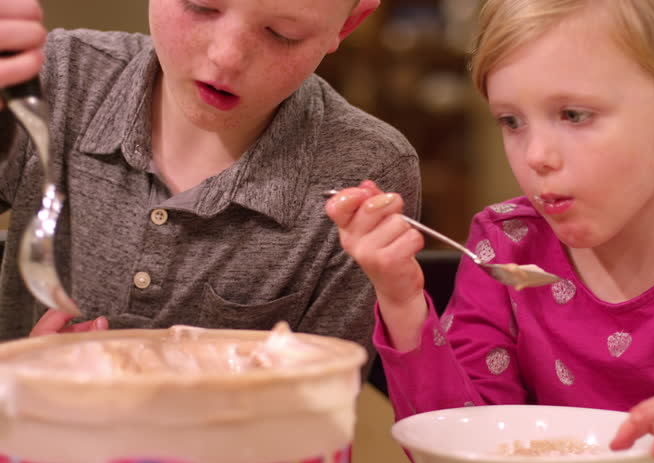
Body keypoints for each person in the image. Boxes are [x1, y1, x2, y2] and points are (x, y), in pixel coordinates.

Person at [325, 0, 654, 463]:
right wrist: (401, 299)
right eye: (512, 121)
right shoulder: (505, 243)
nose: (536, 156)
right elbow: (457, 446)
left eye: (574, 115)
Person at [0, 0, 421, 372]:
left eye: (283, 33)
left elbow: (322, 404)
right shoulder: (54, 79)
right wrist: (17, 380)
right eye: (200, 6)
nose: (227, 57)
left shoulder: (367, 168)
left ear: (348, 24)